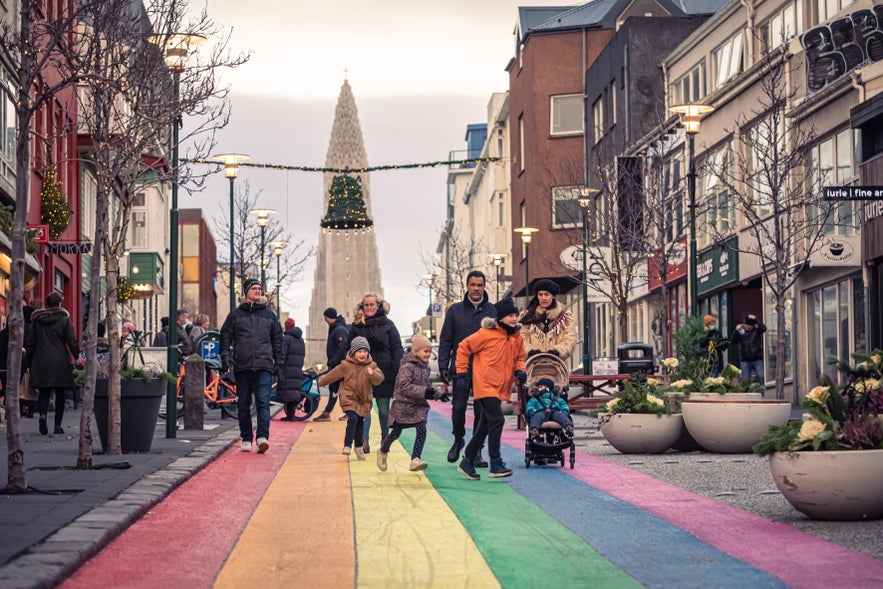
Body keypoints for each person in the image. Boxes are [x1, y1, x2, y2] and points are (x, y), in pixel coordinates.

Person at [455, 298, 526, 480]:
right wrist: (462, 372)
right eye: (510, 315)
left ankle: (467, 460)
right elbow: (463, 347)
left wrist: (520, 370)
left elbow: (520, 357)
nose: (514, 318)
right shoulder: (486, 333)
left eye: (516, 315)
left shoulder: (516, 337)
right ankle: (495, 462)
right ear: (501, 317)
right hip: (485, 383)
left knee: (485, 426)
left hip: (501, 386)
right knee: (497, 419)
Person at [437, 270, 496, 466]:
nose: (476, 289)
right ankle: (458, 439)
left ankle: (476, 451)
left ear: (484, 286)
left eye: (480, 285)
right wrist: (443, 365)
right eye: (473, 285)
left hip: (484, 370)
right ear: (467, 287)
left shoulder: (493, 311)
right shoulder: (455, 310)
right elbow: (445, 340)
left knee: (481, 412)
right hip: (461, 368)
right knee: (458, 408)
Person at [219, 279, 283, 454]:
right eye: (254, 288)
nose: (257, 291)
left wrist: (279, 363)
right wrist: (225, 356)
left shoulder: (269, 315)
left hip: (264, 366)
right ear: (246, 291)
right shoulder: (235, 315)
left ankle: (262, 437)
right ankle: (246, 437)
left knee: (263, 402)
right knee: (243, 404)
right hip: (242, 366)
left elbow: (277, 340)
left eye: (259, 289)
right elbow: (225, 336)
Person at [347, 293, 403, 453]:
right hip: (362, 372)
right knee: (365, 408)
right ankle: (364, 440)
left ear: (378, 306)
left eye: (372, 304)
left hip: (384, 372)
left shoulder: (389, 325)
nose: (369, 307)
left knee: (384, 410)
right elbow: (349, 348)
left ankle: (385, 438)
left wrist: (399, 367)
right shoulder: (357, 325)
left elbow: (396, 347)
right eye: (366, 305)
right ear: (362, 307)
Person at [376, 334, 436, 473]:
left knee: (422, 428)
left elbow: (426, 385)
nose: (428, 354)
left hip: (418, 406)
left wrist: (438, 394)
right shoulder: (406, 367)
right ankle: (383, 451)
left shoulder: (425, 368)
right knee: (396, 433)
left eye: (429, 351)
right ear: (416, 351)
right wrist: (424, 392)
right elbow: (403, 386)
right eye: (425, 351)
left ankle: (415, 459)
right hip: (403, 406)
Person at [318, 336, 384, 458]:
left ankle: (358, 447)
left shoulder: (372, 365)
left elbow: (379, 379)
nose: (362, 354)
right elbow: (333, 375)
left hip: (363, 399)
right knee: (352, 419)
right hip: (348, 397)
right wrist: (321, 381)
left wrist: (372, 374)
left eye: (365, 351)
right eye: (359, 351)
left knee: (360, 423)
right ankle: (347, 445)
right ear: (353, 353)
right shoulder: (346, 365)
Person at [24, 292, 79, 435]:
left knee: (44, 391)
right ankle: (57, 426)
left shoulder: (37, 321)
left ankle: (42, 415)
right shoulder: (64, 320)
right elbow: (71, 341)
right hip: (59, 361)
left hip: (40, 360)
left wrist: (27, 363)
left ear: (46, 304)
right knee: (60, 393)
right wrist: (78, 357)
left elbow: (30, 343)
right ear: (59, 304)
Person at [519, 278, 578, 360]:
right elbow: (521, 339)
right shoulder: (526, 317)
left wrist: (557, 351)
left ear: (553, 296)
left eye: (546, 294)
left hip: (557, 366)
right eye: (540, 294)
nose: (543, 298)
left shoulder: (565, 318)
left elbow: (570, 340)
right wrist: (530, 351)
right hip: (532, 366)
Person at [313, 307, 349, 422]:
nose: (324, 319)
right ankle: (328, 412)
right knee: (335, 389)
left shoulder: (339, 330)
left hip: (339, 365)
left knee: (339, 389)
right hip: (336, 364)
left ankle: (340, 412)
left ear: (329, 317)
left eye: (326, 317)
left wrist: (333, 362)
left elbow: (342, 348)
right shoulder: (335, 328)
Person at [278, 317, 306, 421]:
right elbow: (303, 354)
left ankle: (290, 415)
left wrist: (279, 365)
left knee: (287, 392)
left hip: (287, 369)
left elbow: (282, 354)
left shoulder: (286, 339)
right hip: (297, 369)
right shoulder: (301, 340)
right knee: (293, 392)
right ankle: (291, 414)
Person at [731, 314, 766, 384]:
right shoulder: (741, 331)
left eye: (751, 326)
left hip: (757, 358)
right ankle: (748, 394)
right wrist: (736, 331)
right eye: (747, 325)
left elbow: (763, 328)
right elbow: (733, 342)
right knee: (745, 380)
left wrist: (756, 318)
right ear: (744, 324)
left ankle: (761, 392)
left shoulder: (756, 331)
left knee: (760, 376)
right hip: (745, 360)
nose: (749, 327)